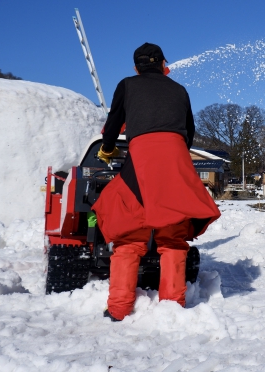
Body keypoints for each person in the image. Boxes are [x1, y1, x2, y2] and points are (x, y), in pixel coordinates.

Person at [92, 42, 221, 322]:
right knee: (172, 237)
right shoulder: (179, 89)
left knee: (129, 237)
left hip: (141, 161)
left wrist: (107, 147)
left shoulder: (127, 85)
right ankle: (172, 307)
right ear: (164, 64)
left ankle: (118, 309)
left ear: (136, 67)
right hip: (175, 159)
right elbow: (188, 132)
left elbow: (114, 122)